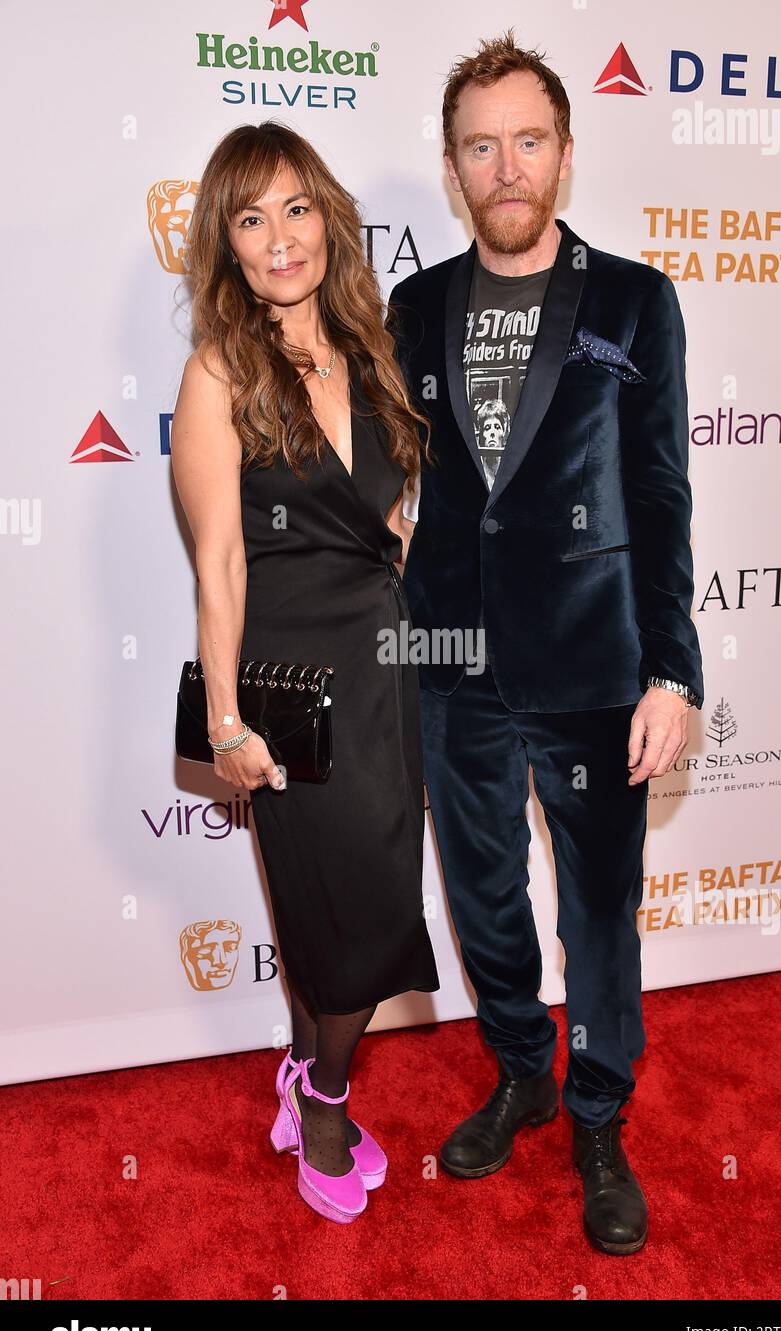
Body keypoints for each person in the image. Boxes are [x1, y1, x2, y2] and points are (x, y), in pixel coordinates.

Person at [386, 31, 704, 1255]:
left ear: (563, 155)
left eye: (526, 140)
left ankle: (595, 1110)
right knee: (478, 895)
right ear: (455, 164)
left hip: (592, 661)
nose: (504, 165)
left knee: (600, 912)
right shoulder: (411, 311)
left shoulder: (631, 300)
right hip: (452, 659)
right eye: (480, 145)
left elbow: (661, 489)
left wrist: (668, 666)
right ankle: (520, 1067)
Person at [171, 120, 440, 1225]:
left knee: (363, 901)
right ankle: (324, 1097)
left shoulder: (368, 350)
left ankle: (299, 1068)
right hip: (290, 691)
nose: (279, 237)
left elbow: (393, 521)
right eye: (250, 218)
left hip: (385, 665)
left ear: (324, 218)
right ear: (227, 248)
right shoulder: (219, 373)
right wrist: (228, 720)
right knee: (349, 917)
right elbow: (219, 563)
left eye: (294, 209)